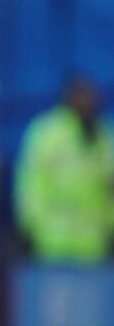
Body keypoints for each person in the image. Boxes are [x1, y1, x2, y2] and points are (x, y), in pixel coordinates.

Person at [14, 78, 114, 264]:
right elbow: (31, 183)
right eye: (82, 97)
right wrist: (28, 226)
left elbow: (109, 187)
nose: (87, 103)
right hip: (52, 242)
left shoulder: (103, 135)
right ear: (69, 98)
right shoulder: (47, 132)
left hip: (93, 245)